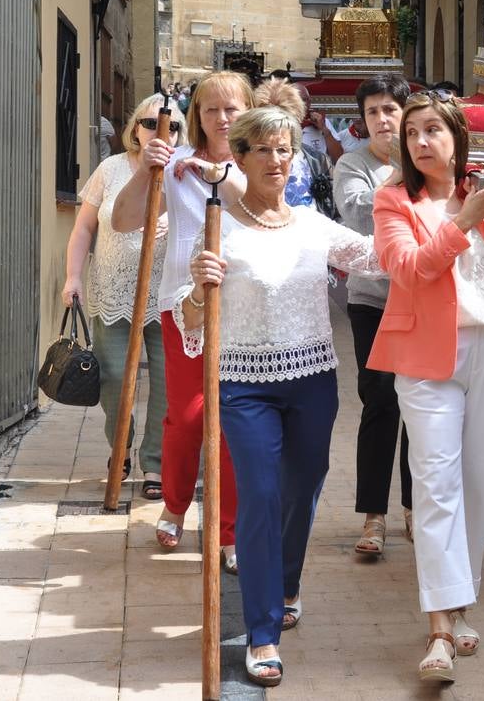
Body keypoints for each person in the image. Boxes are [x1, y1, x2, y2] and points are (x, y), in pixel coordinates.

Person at [178, 105, 381, 687]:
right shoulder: (219, 228)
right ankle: (263, 629)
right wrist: (198, 287)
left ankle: (287, 583)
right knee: (261, 497)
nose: (276, 159)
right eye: (263, 149)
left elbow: (380, 259)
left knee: (302, 489)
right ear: (238, 158)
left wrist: (446, 223)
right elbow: (191, 322)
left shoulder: (314, 225)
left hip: (313, 379)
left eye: (285, 149)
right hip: (243, 383)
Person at [370, 92, 484, 683]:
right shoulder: (394, 200)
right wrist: (462, 223)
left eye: (433, 131)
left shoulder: (482, 195)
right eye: (412, 133)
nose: (421, 142)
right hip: (425, 357)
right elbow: (410, 269)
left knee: (483, 483)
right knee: (436, 482)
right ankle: (440, 630)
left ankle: (459, 601)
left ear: (456, 138)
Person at [112, 70, 251, 570]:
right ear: (197, 116)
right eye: (210, 109)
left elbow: (260, 209)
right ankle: (174, 503)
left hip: (246, 305)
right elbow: (123, 219)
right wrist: (145, 169)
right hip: (184, 304)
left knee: (235, 421)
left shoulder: (262, 160)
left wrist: (221, 176)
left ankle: (230, 529)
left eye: (231, 108)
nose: (221, 118)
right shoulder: (174, 168)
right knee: (187, 415)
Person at [61, 94, 186, 496]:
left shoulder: (184, 173)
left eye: (171, 126)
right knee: (112, 376)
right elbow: (83, 229)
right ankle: (122, 444)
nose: (160, 131)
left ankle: (155, 463)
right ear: (135, 128)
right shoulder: (110, 169)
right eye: (150, 123)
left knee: (168, 383)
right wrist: (73, 278)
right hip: (112, 290)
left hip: (166, 295)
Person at [331, 74, 414, 556]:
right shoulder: (352, 164)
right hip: (373, 300)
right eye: (373, 113)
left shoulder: (424, 157)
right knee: (380, 401)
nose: (382, 120)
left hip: (420, 299)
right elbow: (363, 217)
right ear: (361, 121)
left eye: (390, 110)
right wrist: (404, 178)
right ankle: (374, 517)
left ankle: (414, 510)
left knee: (421, 409)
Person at [251, 78, 337, 219]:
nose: (278, 126)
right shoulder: (248, 158)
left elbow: (333, 207)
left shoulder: (316, 160)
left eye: (285, 117)